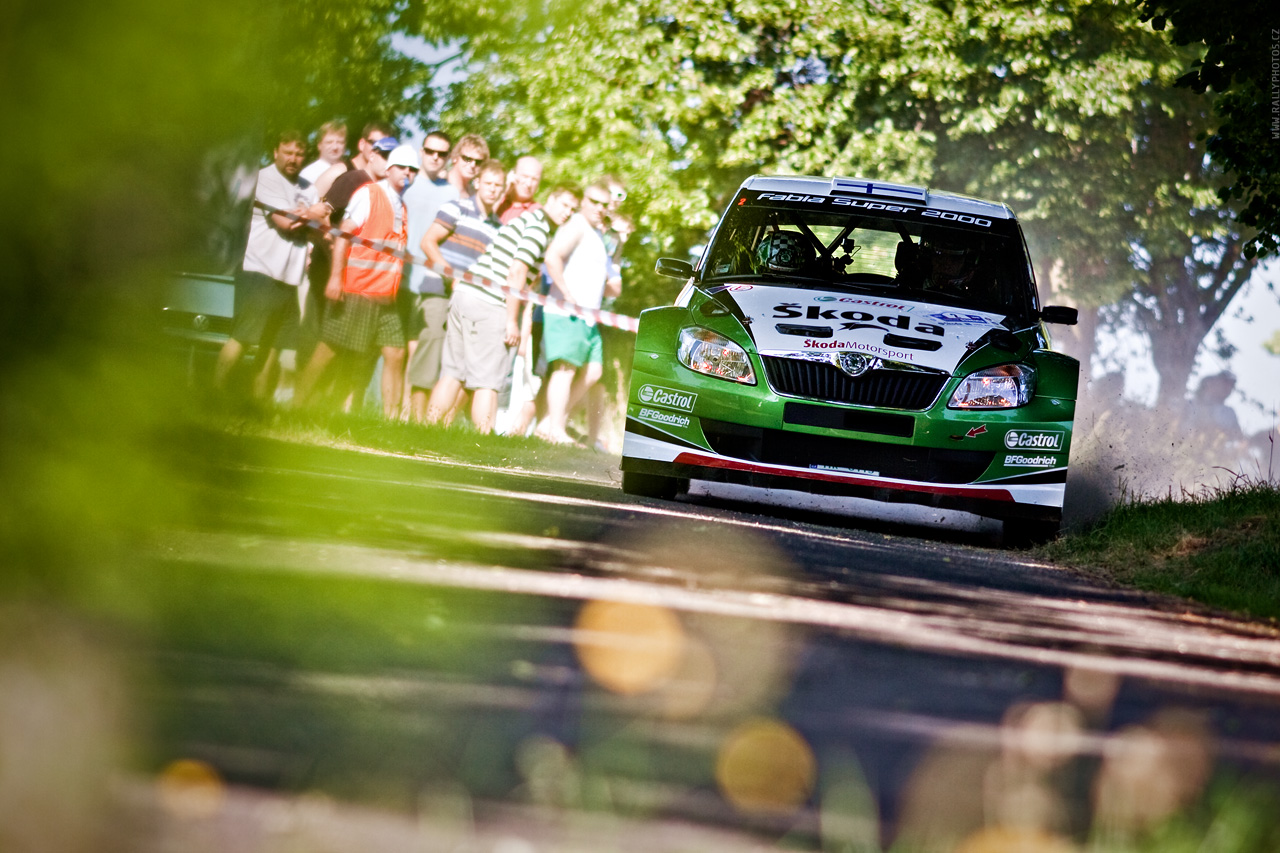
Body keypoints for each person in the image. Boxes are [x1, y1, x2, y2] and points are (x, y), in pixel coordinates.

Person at [425, 187, 578, 433]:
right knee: (488, 383)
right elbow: (516, 272)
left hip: (465, 293)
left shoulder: (526, 220)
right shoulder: (539, 229)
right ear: (550, 198)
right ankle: (484, 443)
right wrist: (511, 321)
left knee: (452, 373)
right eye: (564, 204)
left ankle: (424, 432)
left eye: (572, 209)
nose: (567, 213)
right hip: (490, 302)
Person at [294, 144, 418, 417]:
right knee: (327, 352)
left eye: (413, 169)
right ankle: (295, 406)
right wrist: (336, 279)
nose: (407, 173)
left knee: (396, 354)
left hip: (385, 297)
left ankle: (391, 423)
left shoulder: (403, 207)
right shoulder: (370, 194)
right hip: (357, 290)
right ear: (389, 169)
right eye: (402, 167)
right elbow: (343, 235)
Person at [213, 130, 329, 402]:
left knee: (276, 345)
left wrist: (310, 218)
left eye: (299, 154)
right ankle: (215, 393)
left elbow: (320, 229)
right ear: (276, 151)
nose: (293, 159)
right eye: (288, 152)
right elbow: (286, 223)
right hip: (260, 271)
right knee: (243, 337)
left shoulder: (307, 188)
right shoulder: (265, 178)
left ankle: (258, 404)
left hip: (290, 277)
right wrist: (313, 213)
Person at [410, 155, 505, 421]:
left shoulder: (498, 227)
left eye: (498, 185)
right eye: (488, 183)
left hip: (470, 300)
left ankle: (442, 425)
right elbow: (428, 243)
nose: (493, 189)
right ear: (477, 182)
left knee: (460, 367)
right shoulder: (457, 207)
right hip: (438, 291)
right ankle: (416, 423)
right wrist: (452, 277)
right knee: (430, 359)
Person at [537, 179, 619, 444]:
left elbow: (608, 287)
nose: (598, 208)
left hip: (588, 316)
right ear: (583, 201)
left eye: (604, 204)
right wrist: (568, 295)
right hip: (566, 311)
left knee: (594, 372)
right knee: (565, 370)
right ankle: (555, 430)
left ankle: (550, 422)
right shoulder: (577, 225)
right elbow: (552, 256)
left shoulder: (597, 236)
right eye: (593, 202)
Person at [313, 121, 395, 201]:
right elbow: (309, 208)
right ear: (362, 144)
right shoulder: (338, 172)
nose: (378, 150)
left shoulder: (383, 181)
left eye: (386, 148)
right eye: (374, 143)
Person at [497, 156, 543, 224]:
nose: (529, 184)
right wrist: (504, 190)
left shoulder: (537, 212)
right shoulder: (496, 197)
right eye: (525, 176)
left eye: (534, 179)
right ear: (513, 175)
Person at [299, 120, 346, 186]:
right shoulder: (308, 174)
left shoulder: (349, 171)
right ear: (319, 145)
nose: (335, 147)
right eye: (329, 142)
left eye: (340, 142)